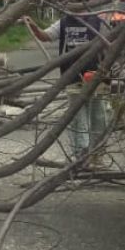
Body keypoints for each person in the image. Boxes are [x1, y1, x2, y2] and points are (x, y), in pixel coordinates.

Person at [23, 8, 109, 161]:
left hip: (97, 78)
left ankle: (97, 156)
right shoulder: (64, 22)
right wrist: (34, 27)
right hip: (73, 78)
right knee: (77, 117)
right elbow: (46, 36)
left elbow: (112, 45)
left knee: (99, 116)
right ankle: (81, 158)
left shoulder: (98, 21)